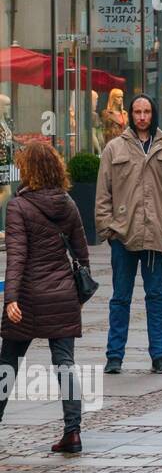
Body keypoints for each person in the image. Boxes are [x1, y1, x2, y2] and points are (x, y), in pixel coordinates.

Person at [1, 142, 91, 454]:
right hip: (62, 294)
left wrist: (10, 297)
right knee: (65, 364)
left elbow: (17, 256)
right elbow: (82, 253)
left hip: (26, 297)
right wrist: (77, 296)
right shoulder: (67, 202)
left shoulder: (18, 206)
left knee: (8, 363)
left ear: (28, 171)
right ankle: (73, 432)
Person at [95, 94, 162, 376]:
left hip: (156, 235)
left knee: (156, 296)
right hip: (123, 236)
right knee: (120, 298)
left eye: (146, 111)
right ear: (130, 114)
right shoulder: (114, 148)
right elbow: (103, 195)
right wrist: (108, 230)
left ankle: (160, 356)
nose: (141, 117)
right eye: (137, 111)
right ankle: (114, 356)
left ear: (153, 114)